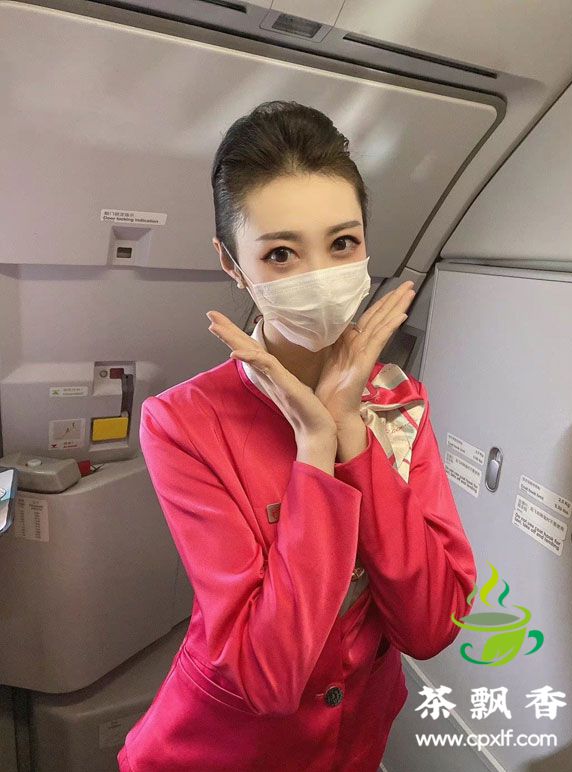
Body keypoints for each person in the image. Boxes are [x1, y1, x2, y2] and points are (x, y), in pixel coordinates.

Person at [117, 100, 477, 772]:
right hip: (220, 752)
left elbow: (432, 626)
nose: (318, 276)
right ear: (232, 263)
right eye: (281, 253)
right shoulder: (185, 422)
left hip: (354, 746)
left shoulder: (399, 405)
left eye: (342, 244)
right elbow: (270, 679)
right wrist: (316, 449)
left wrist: (351, 433)